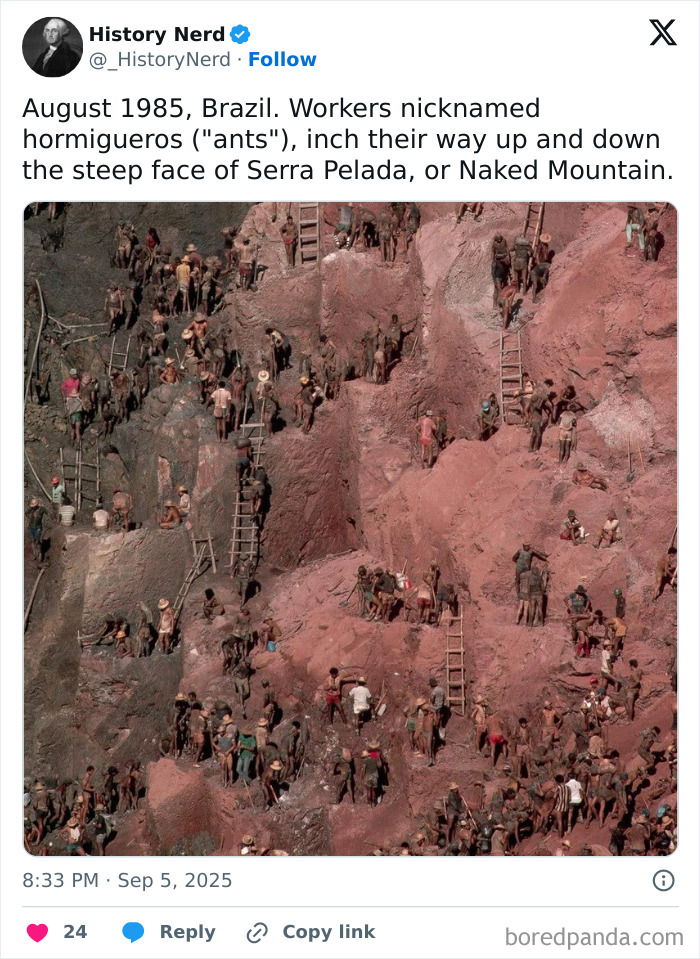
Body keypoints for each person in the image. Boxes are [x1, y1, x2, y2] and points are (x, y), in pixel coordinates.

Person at [26, 497, 48, 566]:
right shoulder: (31, 509)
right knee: (32, 541)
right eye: (33, 506)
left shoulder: (42, 509)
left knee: (37, 542)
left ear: (37, 504)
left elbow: (48, 513)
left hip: (38, 527)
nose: (33, 507)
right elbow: (26, 513)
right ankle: (34, 555)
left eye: (34, 506)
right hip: (31, 527)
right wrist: (30, 518)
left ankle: (40, 556)